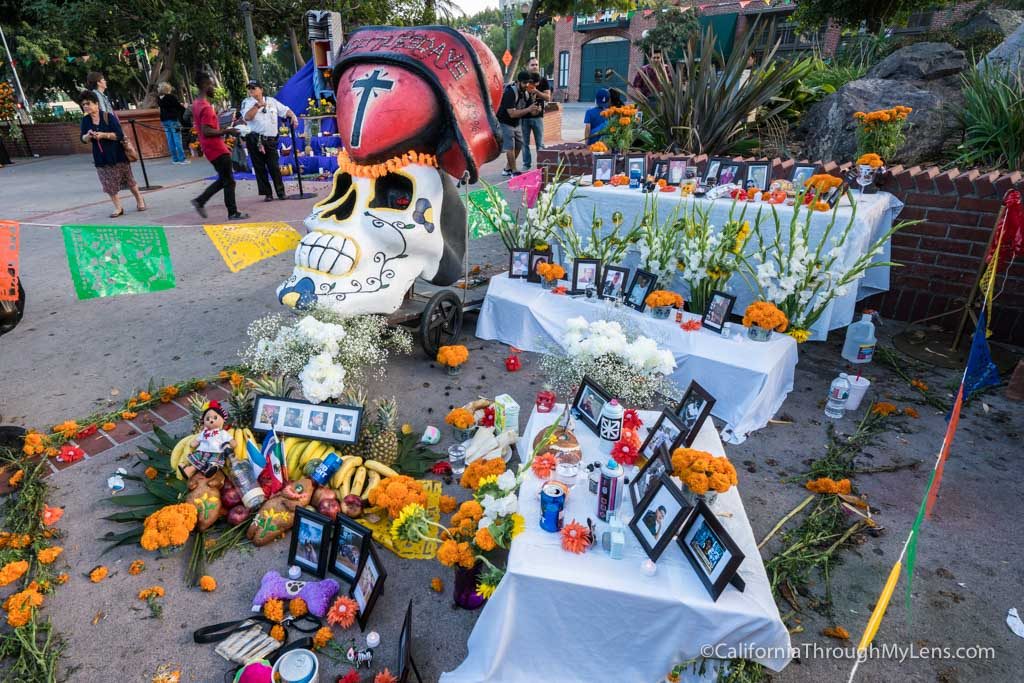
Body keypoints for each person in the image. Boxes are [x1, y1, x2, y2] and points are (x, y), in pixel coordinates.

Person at [190, 73, 248, 221]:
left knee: (224, 179)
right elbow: (207, 131)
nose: (213, 88)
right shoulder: (206, 107)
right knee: (229, 181)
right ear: (204, 85)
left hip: (210, 148)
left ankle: (201, 200)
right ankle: (232, 212)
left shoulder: (197, 104)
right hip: (216, 148)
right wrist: (227, 130)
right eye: (211, 84)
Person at [79, 91, 145, 218]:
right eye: (83, 105)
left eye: (88, 103)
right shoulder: (85, 120)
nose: (86, 106)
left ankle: (139, 199)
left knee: (129, 180)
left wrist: (104, 135)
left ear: (96, 104)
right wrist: (88, 136)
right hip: (101, 157)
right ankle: (118, 207)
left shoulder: (108, 117)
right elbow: (82, 138)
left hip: (117, 154)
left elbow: (119, 135)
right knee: (108, 184)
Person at [240, 80, 299, 201]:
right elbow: (247, 117)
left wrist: (293, 116)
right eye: (250, 88)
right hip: (255, 138)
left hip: (271, 139)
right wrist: (257, 106)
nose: (251, 90)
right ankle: (267, 193)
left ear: (261, 89)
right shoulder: (247, 102)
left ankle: (280, 192)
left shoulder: (271, 101)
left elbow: (284, 110)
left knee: (274, 166)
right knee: (259, 167)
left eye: (254, 88)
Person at [496, 71, 541, 177]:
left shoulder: (526, 93)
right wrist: (529, 109)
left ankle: (507, 168)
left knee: (519, 146)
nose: (526, 85)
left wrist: (536, 110)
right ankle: (514, 171)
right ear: (517, 82)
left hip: (517, 123)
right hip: (505, 122)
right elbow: (511, 113)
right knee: (509, 147)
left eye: (528, 83)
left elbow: (531, 111)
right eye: (524, 83)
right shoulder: (510, 92)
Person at [520, 58, 550, 170]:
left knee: (540, 143)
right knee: (524, 143)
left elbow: (548, 97)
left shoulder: (543, 81)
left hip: (538, 117)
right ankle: (526, 165)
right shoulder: (524, 80)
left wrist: (536, 91)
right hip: (524, 116)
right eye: (532, 64)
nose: (535, 66)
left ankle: (541, 166)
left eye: (536, 64)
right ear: (528, 66)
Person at [157, 82, 188, 165]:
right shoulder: (171, 97)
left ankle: (175, 159)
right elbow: (178, 106)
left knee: (170, 140)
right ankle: (182, 159)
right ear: (168, 89)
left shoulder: (159, 98)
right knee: (177, 139)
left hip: (164, 120)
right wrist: (184, 107)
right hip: (173, 120)